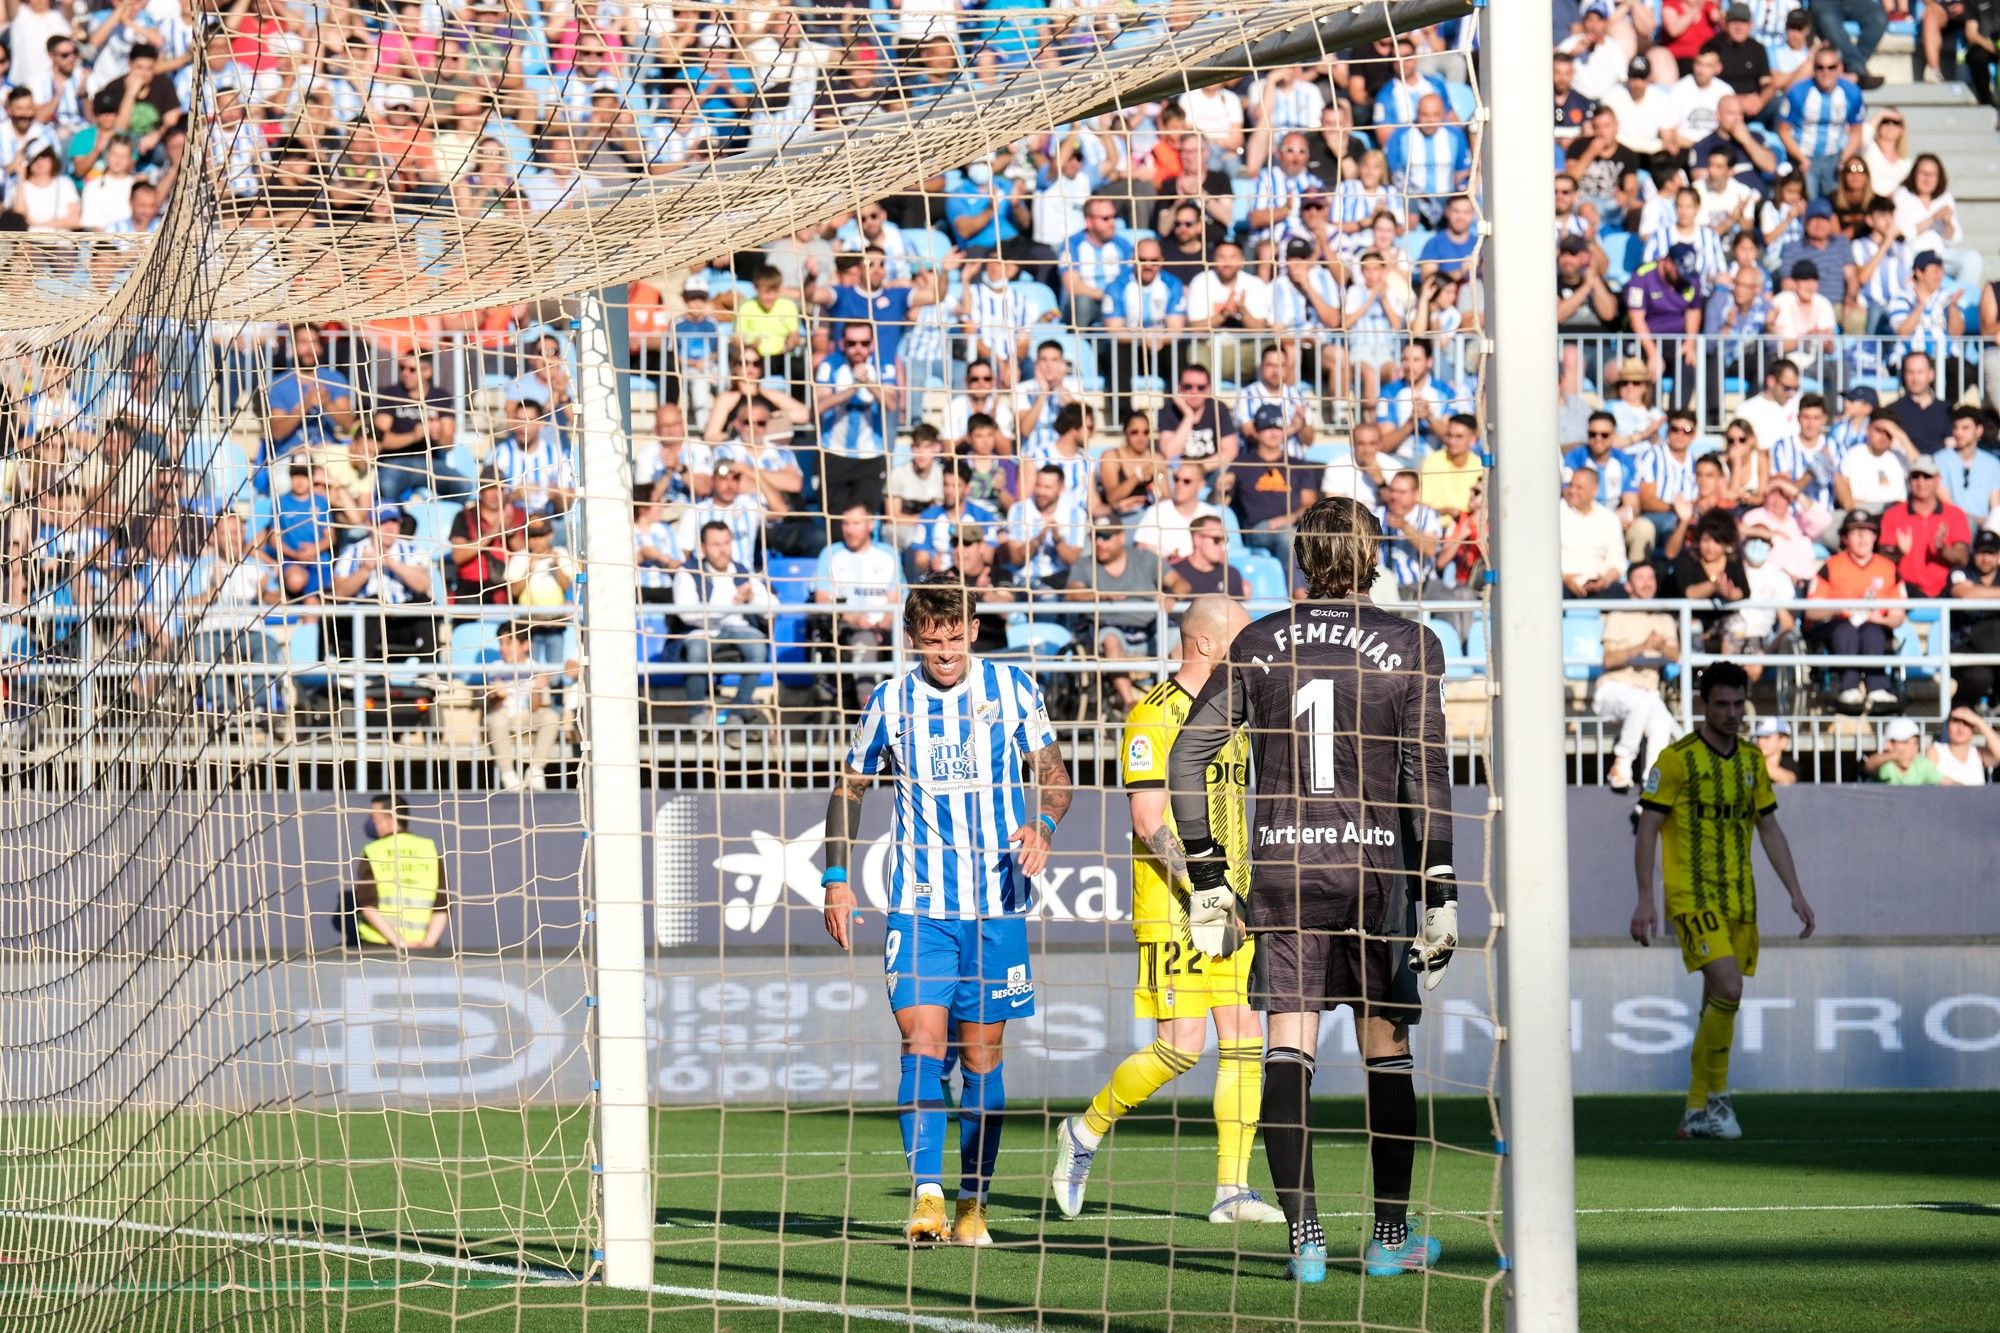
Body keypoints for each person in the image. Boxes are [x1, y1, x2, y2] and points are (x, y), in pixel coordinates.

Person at [1164, 495, 1455, 1284]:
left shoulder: (1258, 641)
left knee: (1287, 1045)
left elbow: (1186, 760)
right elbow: (1425, 772)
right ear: (1371, 557)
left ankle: (1307, 1241)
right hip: (1374, 873)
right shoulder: (1411, 642)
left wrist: (1207, 873)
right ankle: (1389, 1237)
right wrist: (1442, 884)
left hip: (1285, 869)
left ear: (1302, 557)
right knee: (1385, 1049)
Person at [818, 575, 1072, 1247]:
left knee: (982, 1058)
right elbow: (850, 786)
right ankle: (927, 1196)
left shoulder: (1012, 688)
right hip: (919, 907)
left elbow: (1055, 774)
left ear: (973, 631)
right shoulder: (890, 701)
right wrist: (836, 879)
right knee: (921, 1044)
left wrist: (1041, 824)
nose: (945, 654)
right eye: (932, 643)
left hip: (997, 907)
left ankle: (972, 1202)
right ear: (912, 639)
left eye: (955, 640)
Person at [1050, 595, 1285, 1227]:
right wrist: (1202, 886)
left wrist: (1235, 892)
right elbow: (1149, 820)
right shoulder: (1152, 715)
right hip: (1176, 906)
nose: (1255, 649)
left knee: (1244, 1038)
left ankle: (1231, 1191)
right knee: (1180, 1048)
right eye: (1243, 637)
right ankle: (1084, 1128)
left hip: (1233, 905)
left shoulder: (1238, 713)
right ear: (1207, 644)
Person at [1633, 661, 1816, 1141]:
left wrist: (1795, 891)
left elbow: (1769, 828)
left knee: (1718, 999)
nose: (1732, 713)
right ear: (1703, 705)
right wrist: (1645, 900)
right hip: (1692, 897)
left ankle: (1699, 1111)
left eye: (1738, 704)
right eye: (1722, 704)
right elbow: (1648, 828)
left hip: (1741, 898)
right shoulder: (1675, 760)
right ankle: (1710, 1102)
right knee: (1730, 989)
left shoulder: (1754, 761)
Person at [672, 521, 772, 729]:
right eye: (716, 544)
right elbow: (686, 613)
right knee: (697, 650)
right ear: (703, 548)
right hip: (702, 630)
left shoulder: (742, 570)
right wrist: (733, 603)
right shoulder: (688, 572)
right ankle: (697, 715)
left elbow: (772, 608)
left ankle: (737, 713)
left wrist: (752, 597)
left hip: (740, 629)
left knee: (757, 647)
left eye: (726, 543)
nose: (722, 550)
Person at [1806, 510, 1906, 711]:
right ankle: (1848, 687)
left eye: (1867, 531)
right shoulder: (1831, 566)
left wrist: (1880, 619)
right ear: (1845, 537)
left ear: (1875, 536)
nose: (1862, 537)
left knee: (1873, 630)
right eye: (1855, 531)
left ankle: (1877, 687)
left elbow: (1898, 615)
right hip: (1838, 626)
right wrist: (1837, 609)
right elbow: (1810, 611)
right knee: (1846, 629)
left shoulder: (1888, 568)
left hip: (1874, 627)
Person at [1065, 523, 1168, 714]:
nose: (1099, 542)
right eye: (1095, 537)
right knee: (1111, 640)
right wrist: (1099, 595)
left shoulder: (1145, 559)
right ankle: (1131, 705)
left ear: (1121, 537)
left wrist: (1170, 594)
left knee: (1181, 642)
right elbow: (1072, 593)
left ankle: (1181, 706)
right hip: (1109, 630)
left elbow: (1180, 583)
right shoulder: (1085, 564)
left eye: (1105, 536)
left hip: (1150, 629)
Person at [1596, 561, 1683, 790]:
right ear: (1628, 586)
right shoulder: (1617, 616)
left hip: (1647, 694)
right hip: (1613, 689)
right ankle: (1623, 762)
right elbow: (1608, 661)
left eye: (1651, 578)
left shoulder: (1664, 619)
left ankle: (1651, 787)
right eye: (1640, 578)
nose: (1647, 583)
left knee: (1662, 723)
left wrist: (1661, 645)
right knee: (1646, 700)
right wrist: (1641, 646)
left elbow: (1676, 655)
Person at [812, 505, 902, 712]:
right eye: (845, 523)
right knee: (864, 640)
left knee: (908, 640)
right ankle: (868, 710)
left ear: (871, 525)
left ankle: (908, 708)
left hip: (888, 623)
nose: (849, 530)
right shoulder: (831, 553)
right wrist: (853, 618)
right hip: (848, 626)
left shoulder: (888, 554)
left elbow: (896, 596)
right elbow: (822, 599)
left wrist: (887, 621)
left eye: (856, 523)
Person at [349, 794, 450, 952]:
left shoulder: (373, 851)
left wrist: (401, 943)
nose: (369, 822)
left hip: (379, 948)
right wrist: (429, 944)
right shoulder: (428, 848)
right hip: (423, 948)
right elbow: (442, 905)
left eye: (373, 817)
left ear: (390, 819)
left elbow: (368, 906)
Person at [1877, 455, 1970, 599]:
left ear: (1937, 479)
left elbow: (1963, 558)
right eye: (1915, 476)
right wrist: (1900, 552)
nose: (1921, 482)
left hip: (1946, 593)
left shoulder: (1955, 515)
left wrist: (1943, 549)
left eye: (1927, 476)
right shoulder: (1893, 515)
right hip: (1906, 593)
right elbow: (1882, 558)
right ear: (1909, 480)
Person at [487, 620, 561, 791]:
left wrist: (536, 689)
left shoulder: (534, 667)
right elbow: (491, 707)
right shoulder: (495, 668)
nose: (503, 648)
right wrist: (497, 696)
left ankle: (536, 770)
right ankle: (507, 773)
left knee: (551, 716)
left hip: (526, 716)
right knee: (497, 720)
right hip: (504, 715)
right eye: (501, 643)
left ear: (525, 645)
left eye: (508, 643)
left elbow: (535, 707)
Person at [1947, 530, 2000, 707]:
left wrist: (1978, 592)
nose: (1986, 558)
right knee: (1980, 676)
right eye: (1981, 552)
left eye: (1991, 553)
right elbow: (1964, 594)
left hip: (1994, 647)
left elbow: (1971, 592)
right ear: (1973, 553)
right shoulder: (1960, 572)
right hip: (1963, 645)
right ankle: (1957, 718)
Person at [1561, 466, 1630, 599]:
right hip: (1563, 583)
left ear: (1594, 490)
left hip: (1597, 584)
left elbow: (1617, 562)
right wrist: (1565, 578)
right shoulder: (1556, 513)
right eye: (1571, 485)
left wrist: (1605, 581)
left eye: (1579, 488)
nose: (1572, 491)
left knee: (1621, 592)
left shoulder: (1609, 519)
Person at [1862, 716, 1947, 784]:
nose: (1911, 748)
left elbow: (1947, 783)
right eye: (1905, 742)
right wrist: (1895, 755)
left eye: (1915, 742)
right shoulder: (1886, 764)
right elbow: (1870, 765)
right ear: (1889, 744)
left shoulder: (1920, 763)